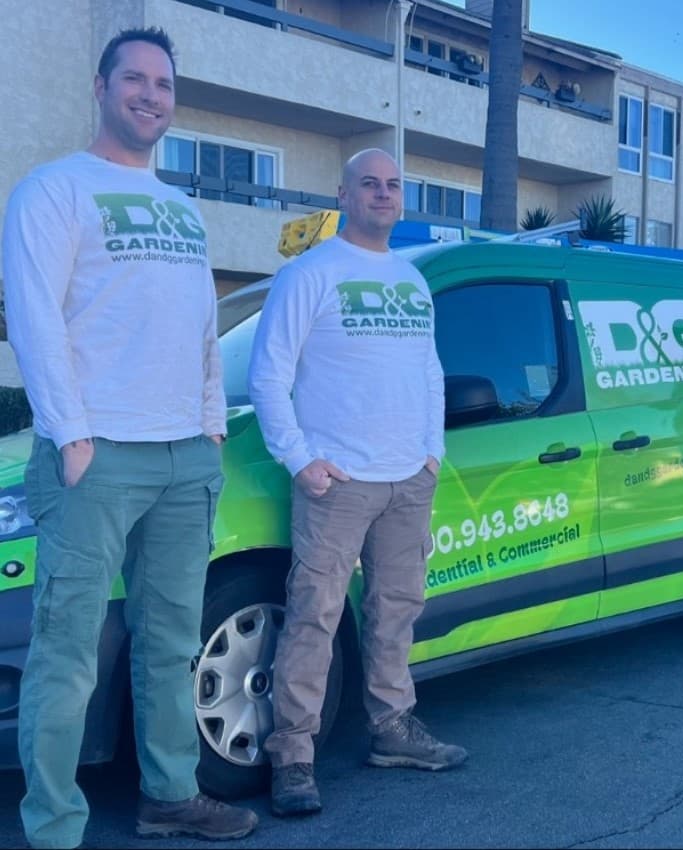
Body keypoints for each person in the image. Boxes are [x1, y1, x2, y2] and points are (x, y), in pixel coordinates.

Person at [1, 27, 258, 849]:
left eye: (164, 84)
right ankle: (53, 828)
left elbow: (197, 327)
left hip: (186, 456)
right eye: (136, 79)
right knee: (69, 652)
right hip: (96, 456)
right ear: (102, 88)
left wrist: (213, 424)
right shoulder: (53, 189)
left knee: (172, 641)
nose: (152, 95)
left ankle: (170, 794)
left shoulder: (182, 210)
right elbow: (34, 316)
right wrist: (72, 436)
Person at [248, 148, 466, 818]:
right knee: (313, 617)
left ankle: (393, 731)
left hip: (408, 479)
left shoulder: (410, 279)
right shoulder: (309, 273)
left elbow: (430, 373)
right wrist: (300, 461)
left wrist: (431, 454)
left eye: (393, 185)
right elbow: (267, 373)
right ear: (343, 193)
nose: (382, 194)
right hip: (336, 482)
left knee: (396, 612)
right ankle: (293, 758)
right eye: (369, 184)